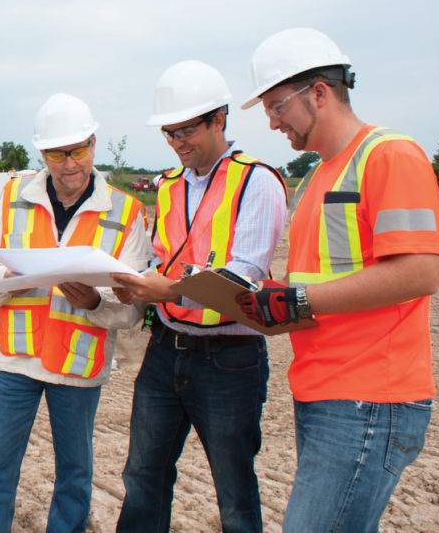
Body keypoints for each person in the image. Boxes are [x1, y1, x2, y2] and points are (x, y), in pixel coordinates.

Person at [234, 28, 439, 532]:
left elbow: (421, 270)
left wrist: (297, 299)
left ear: (320, 93)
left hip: (370, 398)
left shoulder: (390, 155)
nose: (271, 121)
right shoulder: (318, 177)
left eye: (277, 106)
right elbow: (316, 285)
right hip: (327, 392)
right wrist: (272, 302)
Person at [110, 60, 287, 533]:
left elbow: (243, 277)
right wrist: (132, 279)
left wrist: (167, 286)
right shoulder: (168, 187)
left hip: (230, 360)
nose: (177, 142)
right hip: (166, 350)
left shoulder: (257, 181)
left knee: (233, 489)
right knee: (143, 475)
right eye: (169, 133)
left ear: (220, 119)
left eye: (186, 130)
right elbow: (160, 258)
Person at [0, 93, 152, 533]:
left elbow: (135, 307)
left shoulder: (125, 213)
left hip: (78, 364)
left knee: (75, 471)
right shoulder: (11, 195)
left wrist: (95, 303)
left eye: (79, 150)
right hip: (15, 359)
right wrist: (13, 278)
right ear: (41, 153)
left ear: (93, 143)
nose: (70, 164)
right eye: (57, 153)